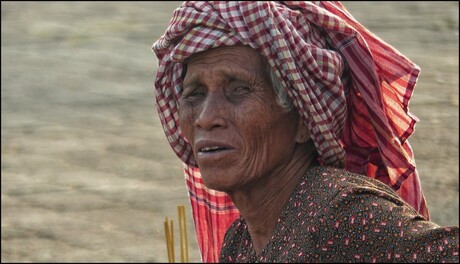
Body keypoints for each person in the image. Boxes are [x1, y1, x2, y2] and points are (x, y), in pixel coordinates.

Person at [152, 1, 459, 262]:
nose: (206, 118)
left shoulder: (343, 216)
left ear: (302, 119)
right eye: (194, 93)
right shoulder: (241, 241)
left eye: (239, 90)